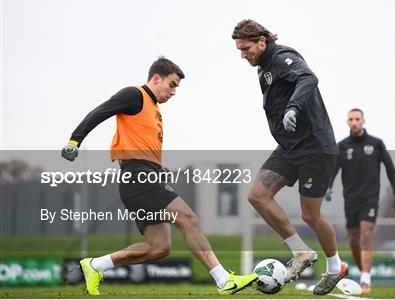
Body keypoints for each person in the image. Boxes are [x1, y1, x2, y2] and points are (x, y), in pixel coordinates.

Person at [61, 57, 257, 296]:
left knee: (160, 247)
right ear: (156, 78)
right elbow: (99, 112)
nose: (173, 92)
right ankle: (224, 280)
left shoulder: (154, 108)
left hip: (147, 175)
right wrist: (75, 140)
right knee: (189, 219)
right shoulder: (135, 95)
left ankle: (96, 265)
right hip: (138, 176)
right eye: (172, 84)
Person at [232, 19, 347, 295]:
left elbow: (308, 78)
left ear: (262, 41)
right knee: (257, 195)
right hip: (289, 148)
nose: (242, 54)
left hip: (315, 147)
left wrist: (293, 107)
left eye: (245, 48)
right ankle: (302, 252)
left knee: (310, 215)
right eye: (238, 49)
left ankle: (335, 267)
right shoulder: (263, 69)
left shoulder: (283, 57)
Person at [326, 108, 395, 295]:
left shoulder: (376, 144)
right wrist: (328, 187)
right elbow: (333, 170)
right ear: (347, 122)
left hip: (370, 197)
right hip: (350, 199)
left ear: (363, 121)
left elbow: (390, 168)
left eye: (357, 119)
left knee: (366, 234)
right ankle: (364, 272)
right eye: (351, 119)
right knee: (353, 240)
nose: (354, 122)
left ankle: (366, 279)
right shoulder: (342, 146)